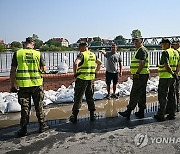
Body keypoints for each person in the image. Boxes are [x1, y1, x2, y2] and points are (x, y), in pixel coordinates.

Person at [10, 37, 49, 137]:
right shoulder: (38, 54)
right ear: (33, 44)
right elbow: (44, 69)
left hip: (23, 86)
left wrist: (12, 85)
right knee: (39, 105)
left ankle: (23, 129)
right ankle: (42, 126)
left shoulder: (18, 53)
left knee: (25, 107)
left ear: (24, 44)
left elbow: (13, 70)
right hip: (37, 84)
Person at [69, 42, 102, 123]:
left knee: (78, 97)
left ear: (83, 47)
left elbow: (75, 63)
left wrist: (75, 74)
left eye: (79, 47)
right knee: (90, 97)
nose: (78, 49)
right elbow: (100, 63)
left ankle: (74, 116)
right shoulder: (93, 55)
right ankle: (92, 114)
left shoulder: (82, 54)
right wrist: (95, 72)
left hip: (81, 79)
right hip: (91, 79)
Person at [118, 37, 149, 120]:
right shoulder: (140, 50)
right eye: (134, 41)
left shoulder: (142, 50)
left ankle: (128, 111)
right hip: (142, 75)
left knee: (135, 93)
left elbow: (142, 62)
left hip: (140, 75)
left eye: (137, 41)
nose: (135, 42)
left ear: (141, 41)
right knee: (142, 93)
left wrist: (137, 73)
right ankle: (141, 112)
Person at [154, 38, 179, 121]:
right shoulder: (176, 52)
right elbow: (179, 64)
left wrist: (171, 73)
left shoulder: (165, 52)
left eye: (163, 44)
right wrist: (175, 73)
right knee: (172, 96)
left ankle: (161, 115)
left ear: (167, 44)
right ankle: (172, 114)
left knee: (162, 96)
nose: (162, 45)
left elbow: (166, 65)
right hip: (172, 78)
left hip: (165, 77)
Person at [171, 40, 180, 112]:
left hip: (177, 74)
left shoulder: (177, 51)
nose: (173, 45)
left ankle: (176, 106)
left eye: (174, 44)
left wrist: (176, 73)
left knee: (176, 91)